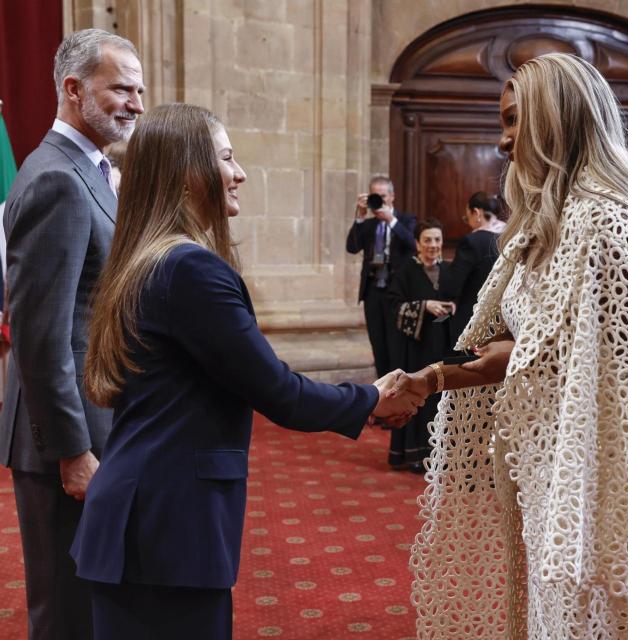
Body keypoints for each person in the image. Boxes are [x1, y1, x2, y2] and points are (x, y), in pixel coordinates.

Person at [394, 53, 628, 638]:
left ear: (558, 117)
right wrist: (432, 379)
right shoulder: (547, 225)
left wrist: (594, 528)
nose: (503, 140)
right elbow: (528, 354)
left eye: (516, 119)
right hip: (546, 472)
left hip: (599, 494)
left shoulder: (611, 224)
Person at [69, 103, 420, 639]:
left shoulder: (150, 259)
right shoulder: (189, 268)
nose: (240, 173)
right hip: (166, 525)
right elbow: (278, 391)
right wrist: (372, 398)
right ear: (188, 170)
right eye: (227, 157)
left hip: (145, 516)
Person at [0, 29, 144, 640]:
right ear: (73, 88)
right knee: (67, 613)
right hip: (67, 440)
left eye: (140, 89)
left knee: (96, 604)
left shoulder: (93, 170)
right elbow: (38, 335)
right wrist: (71, 452)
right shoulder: (56, 178)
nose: (136, 102)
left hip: (99, 424)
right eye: (120, 88)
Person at [386, 218, 454, 472]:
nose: (433, 245)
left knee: (442, 401)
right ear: (417, 244)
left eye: (437, 240)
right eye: (427, 240)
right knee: (417, 399)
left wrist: (452, 307)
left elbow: (461, 300)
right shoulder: (406, 272)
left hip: (443, 348)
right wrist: (424, 306)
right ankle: (415, 453)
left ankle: (442, 454)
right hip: (416, 348)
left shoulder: (450, 270)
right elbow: (394, 307)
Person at [346, 176, 416, 377]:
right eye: (375, 196)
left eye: (383, 196)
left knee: (396, 344)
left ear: (392, 197)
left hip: (397, 292)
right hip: (372, 291)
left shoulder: (405, 220)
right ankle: (382, 390)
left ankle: (399, 386)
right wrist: (359, 217)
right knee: (378, 344)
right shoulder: (368, 225)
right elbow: (351, 247)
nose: (380, 201)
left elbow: (412, 243)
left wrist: (391, 221)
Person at [439, 192, 500, 345]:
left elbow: (453, 285)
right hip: (500, 320)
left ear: (476, 213)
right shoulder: (507, 238)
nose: (468, 222)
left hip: (473, 319)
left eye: (467, 217)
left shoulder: (471, 242)